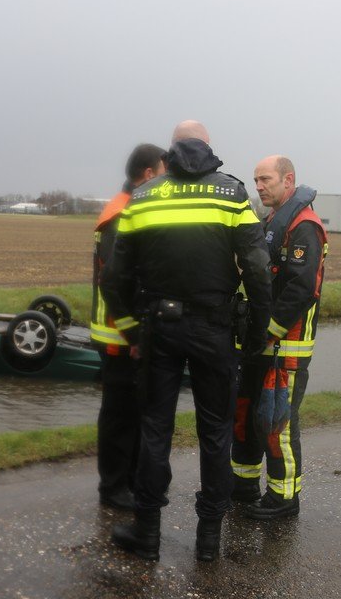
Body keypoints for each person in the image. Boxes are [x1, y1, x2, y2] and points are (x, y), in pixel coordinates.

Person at [102, 120, 272, 562]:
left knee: (156, 429)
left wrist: (132, 330)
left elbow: (114, 278)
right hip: (215, 330)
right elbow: (257, 269)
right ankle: (209, 540)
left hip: (158, 329)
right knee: (215, 432)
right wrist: (256, 333)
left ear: (172, 150)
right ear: (208, 146)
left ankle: (147, 532)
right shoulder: (233, 195)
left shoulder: (142, 197)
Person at [231, 156, 327, 519]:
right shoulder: (271, 221)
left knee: (276, 424)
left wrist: (269, 332)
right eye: (255, 180)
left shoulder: (304, 226)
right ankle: (241, 487)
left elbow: (301, 290)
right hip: (258, 344)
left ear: (289, 180)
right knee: (244, 417)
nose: (258, 186)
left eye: (265, 179)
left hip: (285, 347)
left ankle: (283, 499)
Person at [92, 143, 166, 510]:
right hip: (118, 334)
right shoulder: (122, 215)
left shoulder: (127, 207)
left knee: (133, 413)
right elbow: (114, 281)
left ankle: (131, 481)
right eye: (164, 173)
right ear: (149, 175)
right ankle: (113, 488)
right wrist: (135, 334)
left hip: (125, 332)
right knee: (119, 417)